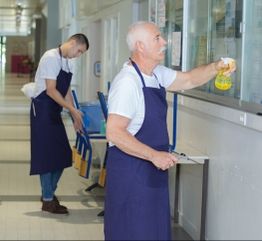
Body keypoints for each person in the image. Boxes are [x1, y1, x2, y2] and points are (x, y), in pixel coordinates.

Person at [104, 21, 236, 240]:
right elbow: (115, 133)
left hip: (152, 173)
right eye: (157, 38)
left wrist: (216, 67)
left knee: (153, 233)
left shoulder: (155, 74)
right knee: (131, 232)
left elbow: (191, 78)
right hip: (131, 175)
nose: (164, 42)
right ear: (141, 46)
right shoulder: (128, 82)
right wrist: (154, 155)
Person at [30, 33, 89, 214]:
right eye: (79, 51)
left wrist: (75, 116)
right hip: (42, 110)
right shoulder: (50, 57)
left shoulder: (68, 61)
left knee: (63, 155)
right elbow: (51, 90)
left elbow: (66, 90)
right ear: (72, 43)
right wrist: (71, 110)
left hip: (54, 111)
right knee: (47, 157)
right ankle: (48, 199)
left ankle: (48, 193)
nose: (78, 55)